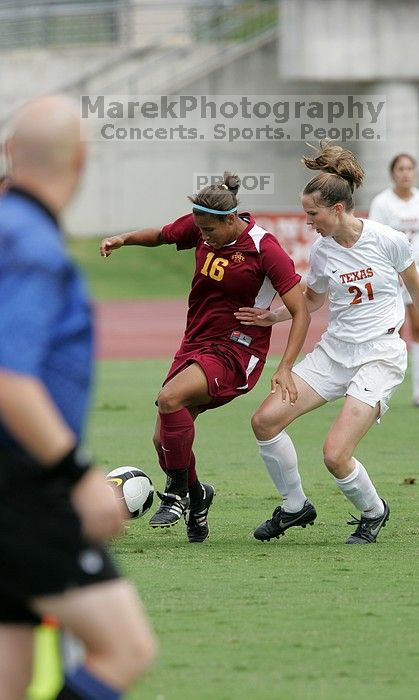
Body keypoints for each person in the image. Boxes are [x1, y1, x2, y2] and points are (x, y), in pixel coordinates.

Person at [0, 95, 156, 700]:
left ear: (12, 154)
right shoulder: (31, 247)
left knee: (9, 677)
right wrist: (79, 475)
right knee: (124, 648)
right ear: (83, 161)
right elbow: (9, 378)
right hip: (24, 483)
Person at [235, 140, 419, 545]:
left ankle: (373, 511)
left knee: (335, 455)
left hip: (380, 356)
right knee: (264, 421)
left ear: (336, 209)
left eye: (312, 214)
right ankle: (295, 506)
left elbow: (417, 290)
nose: (308, 222)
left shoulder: (387, 240)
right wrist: (274, 315)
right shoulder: (323, 249)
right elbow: (312, 298)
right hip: (334, 353)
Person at [100, 174, 309, 543]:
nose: (203, 236)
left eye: (210, 230)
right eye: (200, 229)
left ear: (231, 219)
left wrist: (286, 365)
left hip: (237, 349)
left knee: (169, 399)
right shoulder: (202, 224)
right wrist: (124, 239)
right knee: (161, 439)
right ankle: (198, 497)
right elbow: (163, 235)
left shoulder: (264, 248)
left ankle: (177, 494)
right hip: (196, 343)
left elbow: (301, 310)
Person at [369, 154, 419, 408]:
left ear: (415, 172)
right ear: (392, 173)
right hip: (391, 274)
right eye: (400, 169)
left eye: (410, 168)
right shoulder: (382, 202)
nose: (405, 173)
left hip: (418, 270)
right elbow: (375, 240)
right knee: (392, 331)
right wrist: (387, 271)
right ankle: (380, 392)